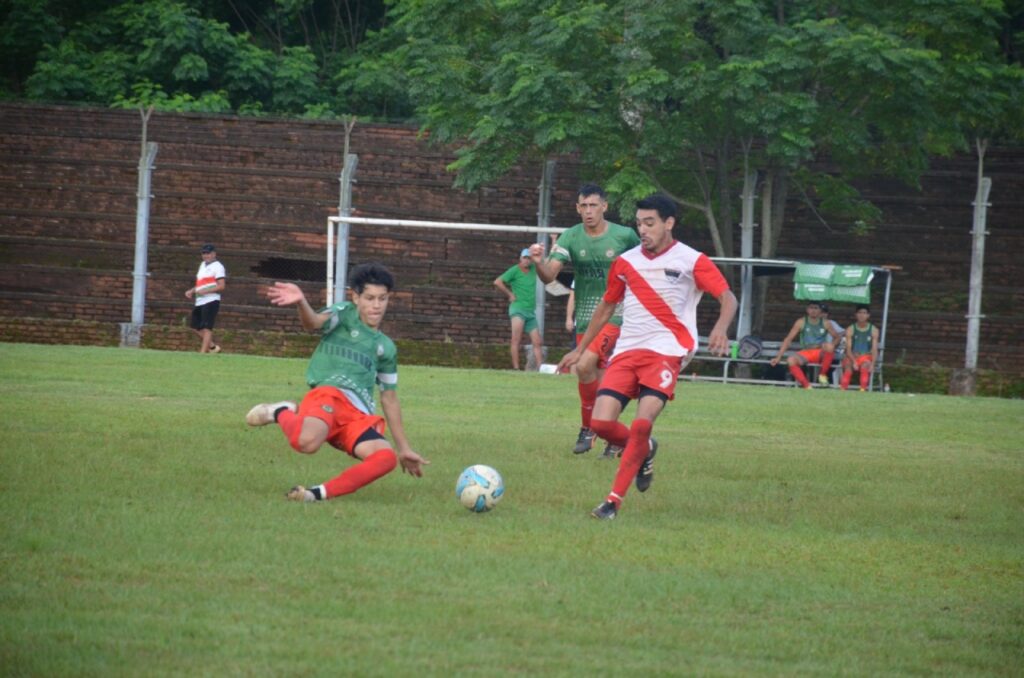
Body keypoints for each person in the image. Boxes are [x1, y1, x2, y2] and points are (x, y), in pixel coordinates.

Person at [558, 194, 737, 520]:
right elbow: (607, 306)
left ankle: (612, 503)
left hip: (668, 353)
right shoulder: (626, 262)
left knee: (641, 424)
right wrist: (580, 349)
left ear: (669, 223)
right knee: (600, 424)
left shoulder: (691, 260)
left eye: (650, 223)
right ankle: (646, 450)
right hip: (627, 351)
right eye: (639, 223)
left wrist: (721, 328)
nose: (643, 229)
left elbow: (727, 297)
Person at [245, 263, 430, 502]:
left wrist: (404, 448)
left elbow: (389, 398)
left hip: (357, 416)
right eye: (370, 298)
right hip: (329, 395)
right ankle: (281, 411)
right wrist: (302, 302)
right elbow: (313, 322)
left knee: (386, 459)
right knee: (307, 444)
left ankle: (315, 495)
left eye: (382, 299)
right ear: (356, 297)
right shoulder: (344, 314)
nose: (376, 306)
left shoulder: (386, 347)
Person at [529, 183, 640, 458]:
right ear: (578, 208)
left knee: (583, 364)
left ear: (604, 206)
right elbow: (549, 276)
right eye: (583, 206)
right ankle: (613, 436)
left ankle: (588, 428)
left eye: (593, 205)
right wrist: (539, 262)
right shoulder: (570, 237)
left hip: (617, 314)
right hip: (585, 319)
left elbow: (645, 266)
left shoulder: (625, 236)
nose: (588, 211)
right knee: (599, 380)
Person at [769, 300, 843, 389]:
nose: (813, 310)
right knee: (791, 360)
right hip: (806, 352)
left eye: (816, 308)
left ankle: (822, 375)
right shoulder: (801, 322)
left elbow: (837, 337)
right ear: (807, 310)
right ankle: (807, 386)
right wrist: (778, 357)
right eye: (811, 308)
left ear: (820, 311)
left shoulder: (825, 322)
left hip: (820, 353)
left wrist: (832, 346)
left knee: (829, 346)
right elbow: (788, 339)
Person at [493, 248, 544, 370]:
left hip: (530, 311)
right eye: (524, 258)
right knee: (516, 339)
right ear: (520, 258)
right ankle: (516, 369)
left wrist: (552, 242)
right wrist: (510, 294)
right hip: (518, 309)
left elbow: (546, 263)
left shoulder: (533, 269)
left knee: (537, 342)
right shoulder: (515, 270)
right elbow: (498, 282)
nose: (527, 260)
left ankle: (541, 369)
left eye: (529, 258)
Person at [184, 243, 226, 353]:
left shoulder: (218, 267)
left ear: (214, 254)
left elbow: (221, 286)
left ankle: (203, 352)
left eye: (208, 253)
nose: (206, 255)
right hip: (199, 300)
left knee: (207, 327)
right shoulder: (202, 265)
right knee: (195, 326)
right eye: (204, 253)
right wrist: (192, 290)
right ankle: (212, 347)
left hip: (211, 300)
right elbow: (201, 284)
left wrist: (205, 291)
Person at [840, 305, 879, 391]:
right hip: (852, 356)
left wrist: (873, 364)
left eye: (864, 313)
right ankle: (842, 389)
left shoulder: (874, 330)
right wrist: (854, 361)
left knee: (865, 366)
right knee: (848, 366)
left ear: (868, 315)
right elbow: (848, 349)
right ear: (856, 314)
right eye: (860, 313)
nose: (862, 315)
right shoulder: (850, 329)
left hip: (866, 356)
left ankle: (862, 390)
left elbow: (874, 349)